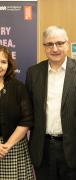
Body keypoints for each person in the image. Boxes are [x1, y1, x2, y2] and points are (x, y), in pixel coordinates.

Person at [25, 25, 76, 180]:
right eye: (49, 44)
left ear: (67, 44)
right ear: (44, 46)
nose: (55, 48)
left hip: (74, 148)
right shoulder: (33, 73)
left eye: (60, 43)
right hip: (42, 149)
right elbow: (28, 111)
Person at [0, 45, 33, 179]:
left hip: (13, 148)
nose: (0, 66)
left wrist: (6, 146)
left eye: (3, 62)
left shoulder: (18, 87)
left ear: (9, 64)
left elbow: (26, 120)